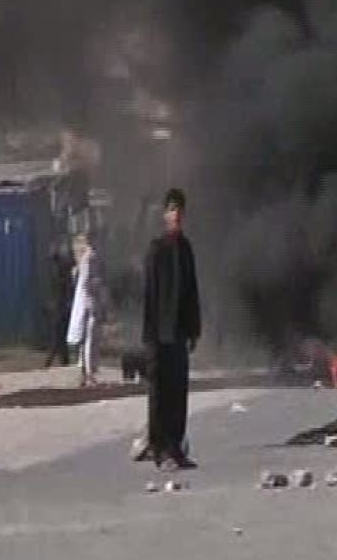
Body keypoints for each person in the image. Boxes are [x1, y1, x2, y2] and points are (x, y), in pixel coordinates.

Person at [142, 188, 201, 471]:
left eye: (180, 210)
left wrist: (194, 329)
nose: (176, 215)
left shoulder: (185, 248)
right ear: (164, 214)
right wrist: (150, 337)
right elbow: (150, 297)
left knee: (179, 392)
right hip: (159, 334)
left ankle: (176, 447)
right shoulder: (157, 250)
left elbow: (192, 292)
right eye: (171, 210)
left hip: (178, 332)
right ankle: (159, 448)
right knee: (160, 394)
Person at [66, 233, 103, 387]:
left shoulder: (82, 259)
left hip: (83, 301)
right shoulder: (91, 257)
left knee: (85, 338)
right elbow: (89, 281)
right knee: (90, 339)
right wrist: (98, 284)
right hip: (90, 302)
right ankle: (89, 374)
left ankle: (84, 372)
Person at [45, 240, 75, 368]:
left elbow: (65, 287)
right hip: (61, 304)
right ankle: (63, 361)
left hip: (62, 305)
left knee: (59, 334)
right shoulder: (59, 268)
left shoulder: (62, 268)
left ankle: (51, 361)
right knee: (60, 334)